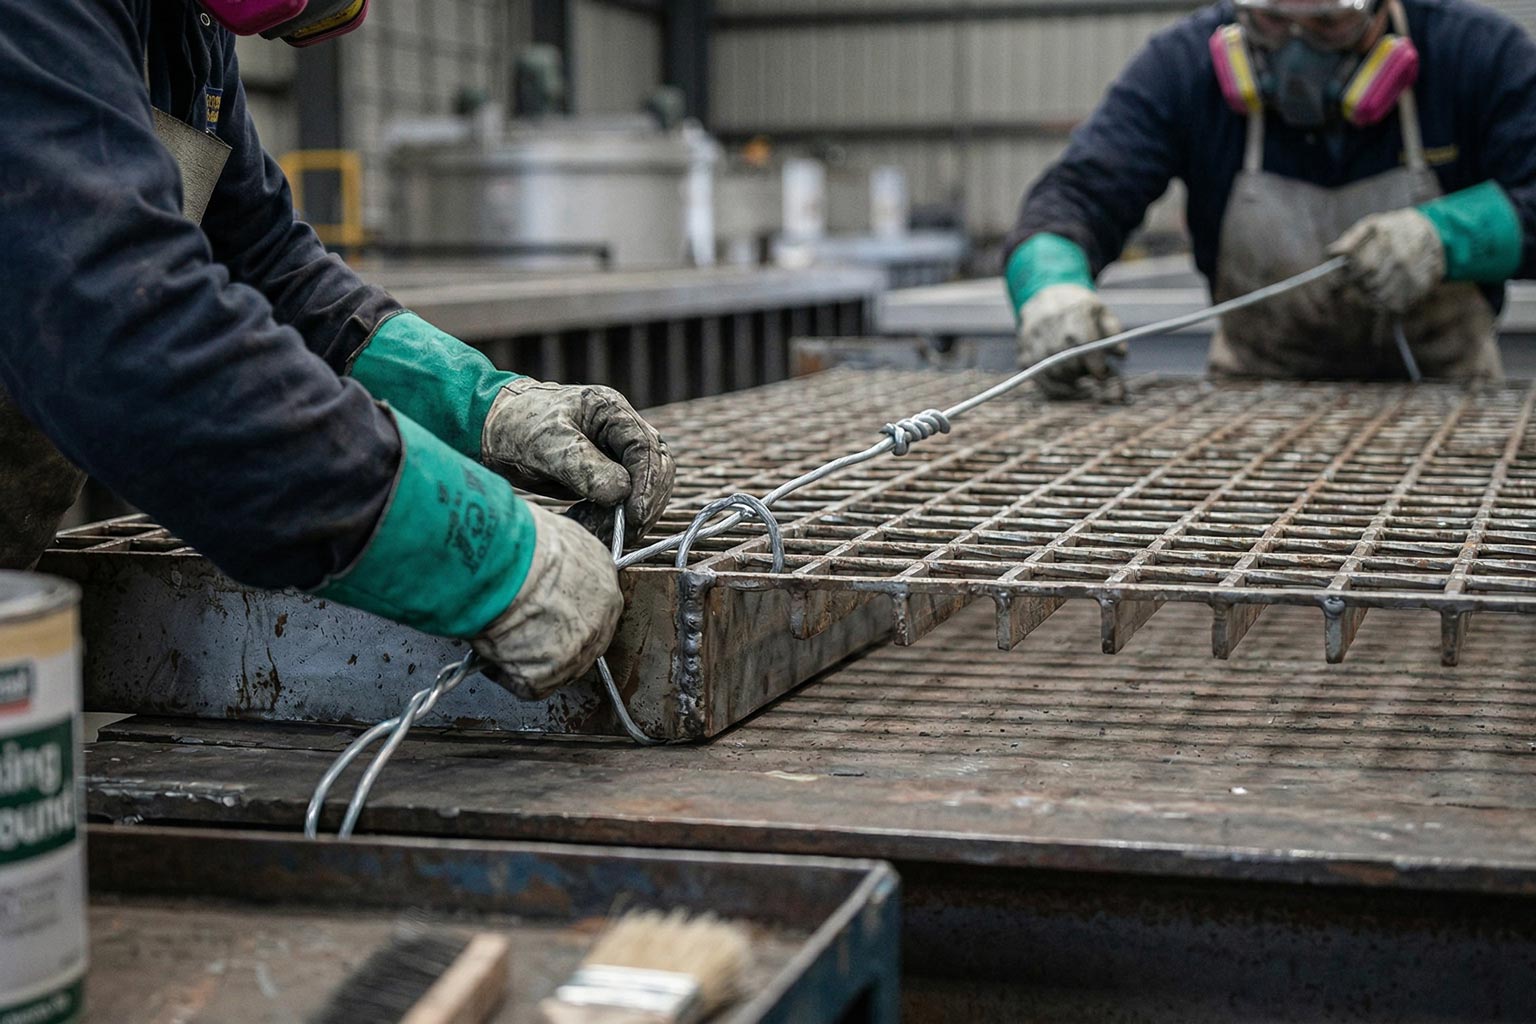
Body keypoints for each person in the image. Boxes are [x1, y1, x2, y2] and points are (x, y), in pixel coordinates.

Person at [0, 0, 675, 697]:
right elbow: (120, 328)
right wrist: (479, 550)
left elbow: (264, 266)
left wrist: (488, 408)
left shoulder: (187, 30)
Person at [1004, 0, 1536, 399]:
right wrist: (1050, 286)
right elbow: (1077, 193)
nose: (1296, 48)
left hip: (1449, 401)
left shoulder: (1476, 55)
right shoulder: (1183, 66)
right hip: (1250, 404)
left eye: (1327, 23)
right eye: (1272, 21)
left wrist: (1448, 237)